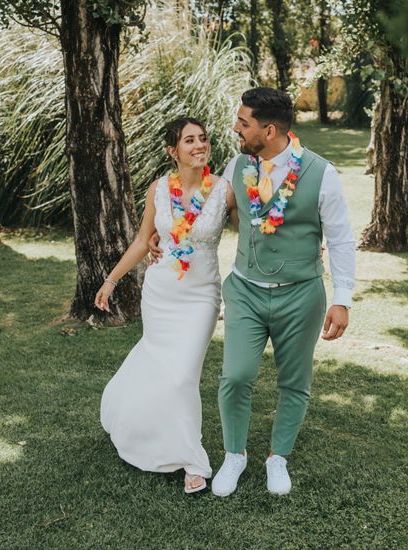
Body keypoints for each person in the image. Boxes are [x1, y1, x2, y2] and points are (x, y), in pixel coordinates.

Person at [151, 87, 356, 496]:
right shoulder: (236, 166)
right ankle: (234, 455)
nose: (235, 128)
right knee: (235, 376)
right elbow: (204, 208)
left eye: (244, 123)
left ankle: (277, 458)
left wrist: (343, 298)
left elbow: (341, 239)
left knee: (294, 381)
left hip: (301, 293)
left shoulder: (321, 173)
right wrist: (167, 236)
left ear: (270, 129)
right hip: (245, 290)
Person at [97, 117, 236, 494]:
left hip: (202, 296)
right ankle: (157, 437)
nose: (198, 146)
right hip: (160, 293)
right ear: (172, 150)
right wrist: (111, 280)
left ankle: (192, 461)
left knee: (182, 376)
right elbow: (144, 241)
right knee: (161, 365)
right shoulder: (158, 189)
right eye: (189, 140)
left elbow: (253, 233)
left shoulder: (224, 190)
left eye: (203, 139)